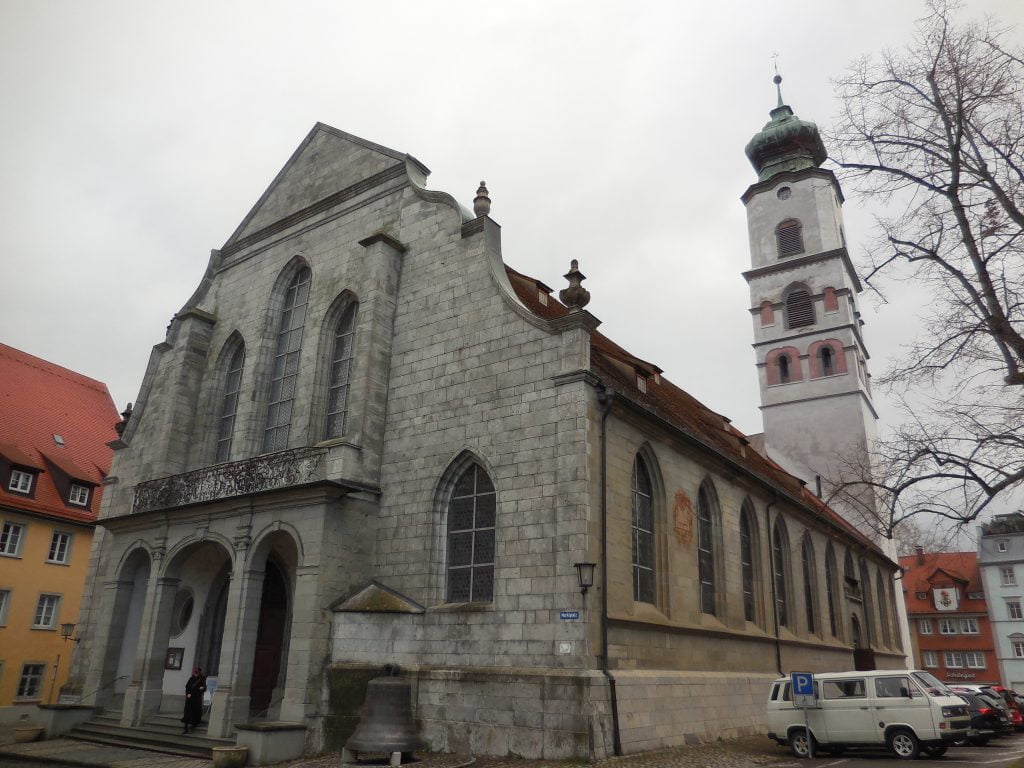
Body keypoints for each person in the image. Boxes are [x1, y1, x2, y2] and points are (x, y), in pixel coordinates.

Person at [182, 666, 207, 734]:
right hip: (190, 698)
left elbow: (204, 687)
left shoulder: (202, 679)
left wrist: (202, 688)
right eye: (194, 672)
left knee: (195, 712)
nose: (195, 674)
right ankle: (186, 727)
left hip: (196, 698)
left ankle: (194, 724)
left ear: (199, 673)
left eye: (196, 673)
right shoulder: (191, 678)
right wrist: (188, 693)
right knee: (187, 712)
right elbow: (187, 687)